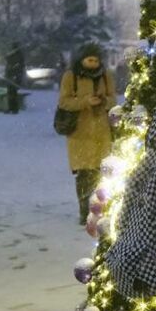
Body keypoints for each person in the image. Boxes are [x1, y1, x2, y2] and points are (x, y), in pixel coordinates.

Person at [60, 43, 116, 223]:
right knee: (84, 175)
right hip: (80, 133)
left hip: (101, 133)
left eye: (95, 60)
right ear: (82, 59)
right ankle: (84, 212)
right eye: (89, 60)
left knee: (101, 174)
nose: (93, 64)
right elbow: (64, 102)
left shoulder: (106, 76)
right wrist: (85, 101)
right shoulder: (71, 76)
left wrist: (102, 101)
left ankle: (100, 209)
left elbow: (113, 99)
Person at [4, 42, 25, 114]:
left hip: (14, 75)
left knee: (13, 93)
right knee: (11, 93)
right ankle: (11, 108)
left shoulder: (18, 55)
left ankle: (14, 108)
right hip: (12, 75)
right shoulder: (14, 55)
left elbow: (18, 65)